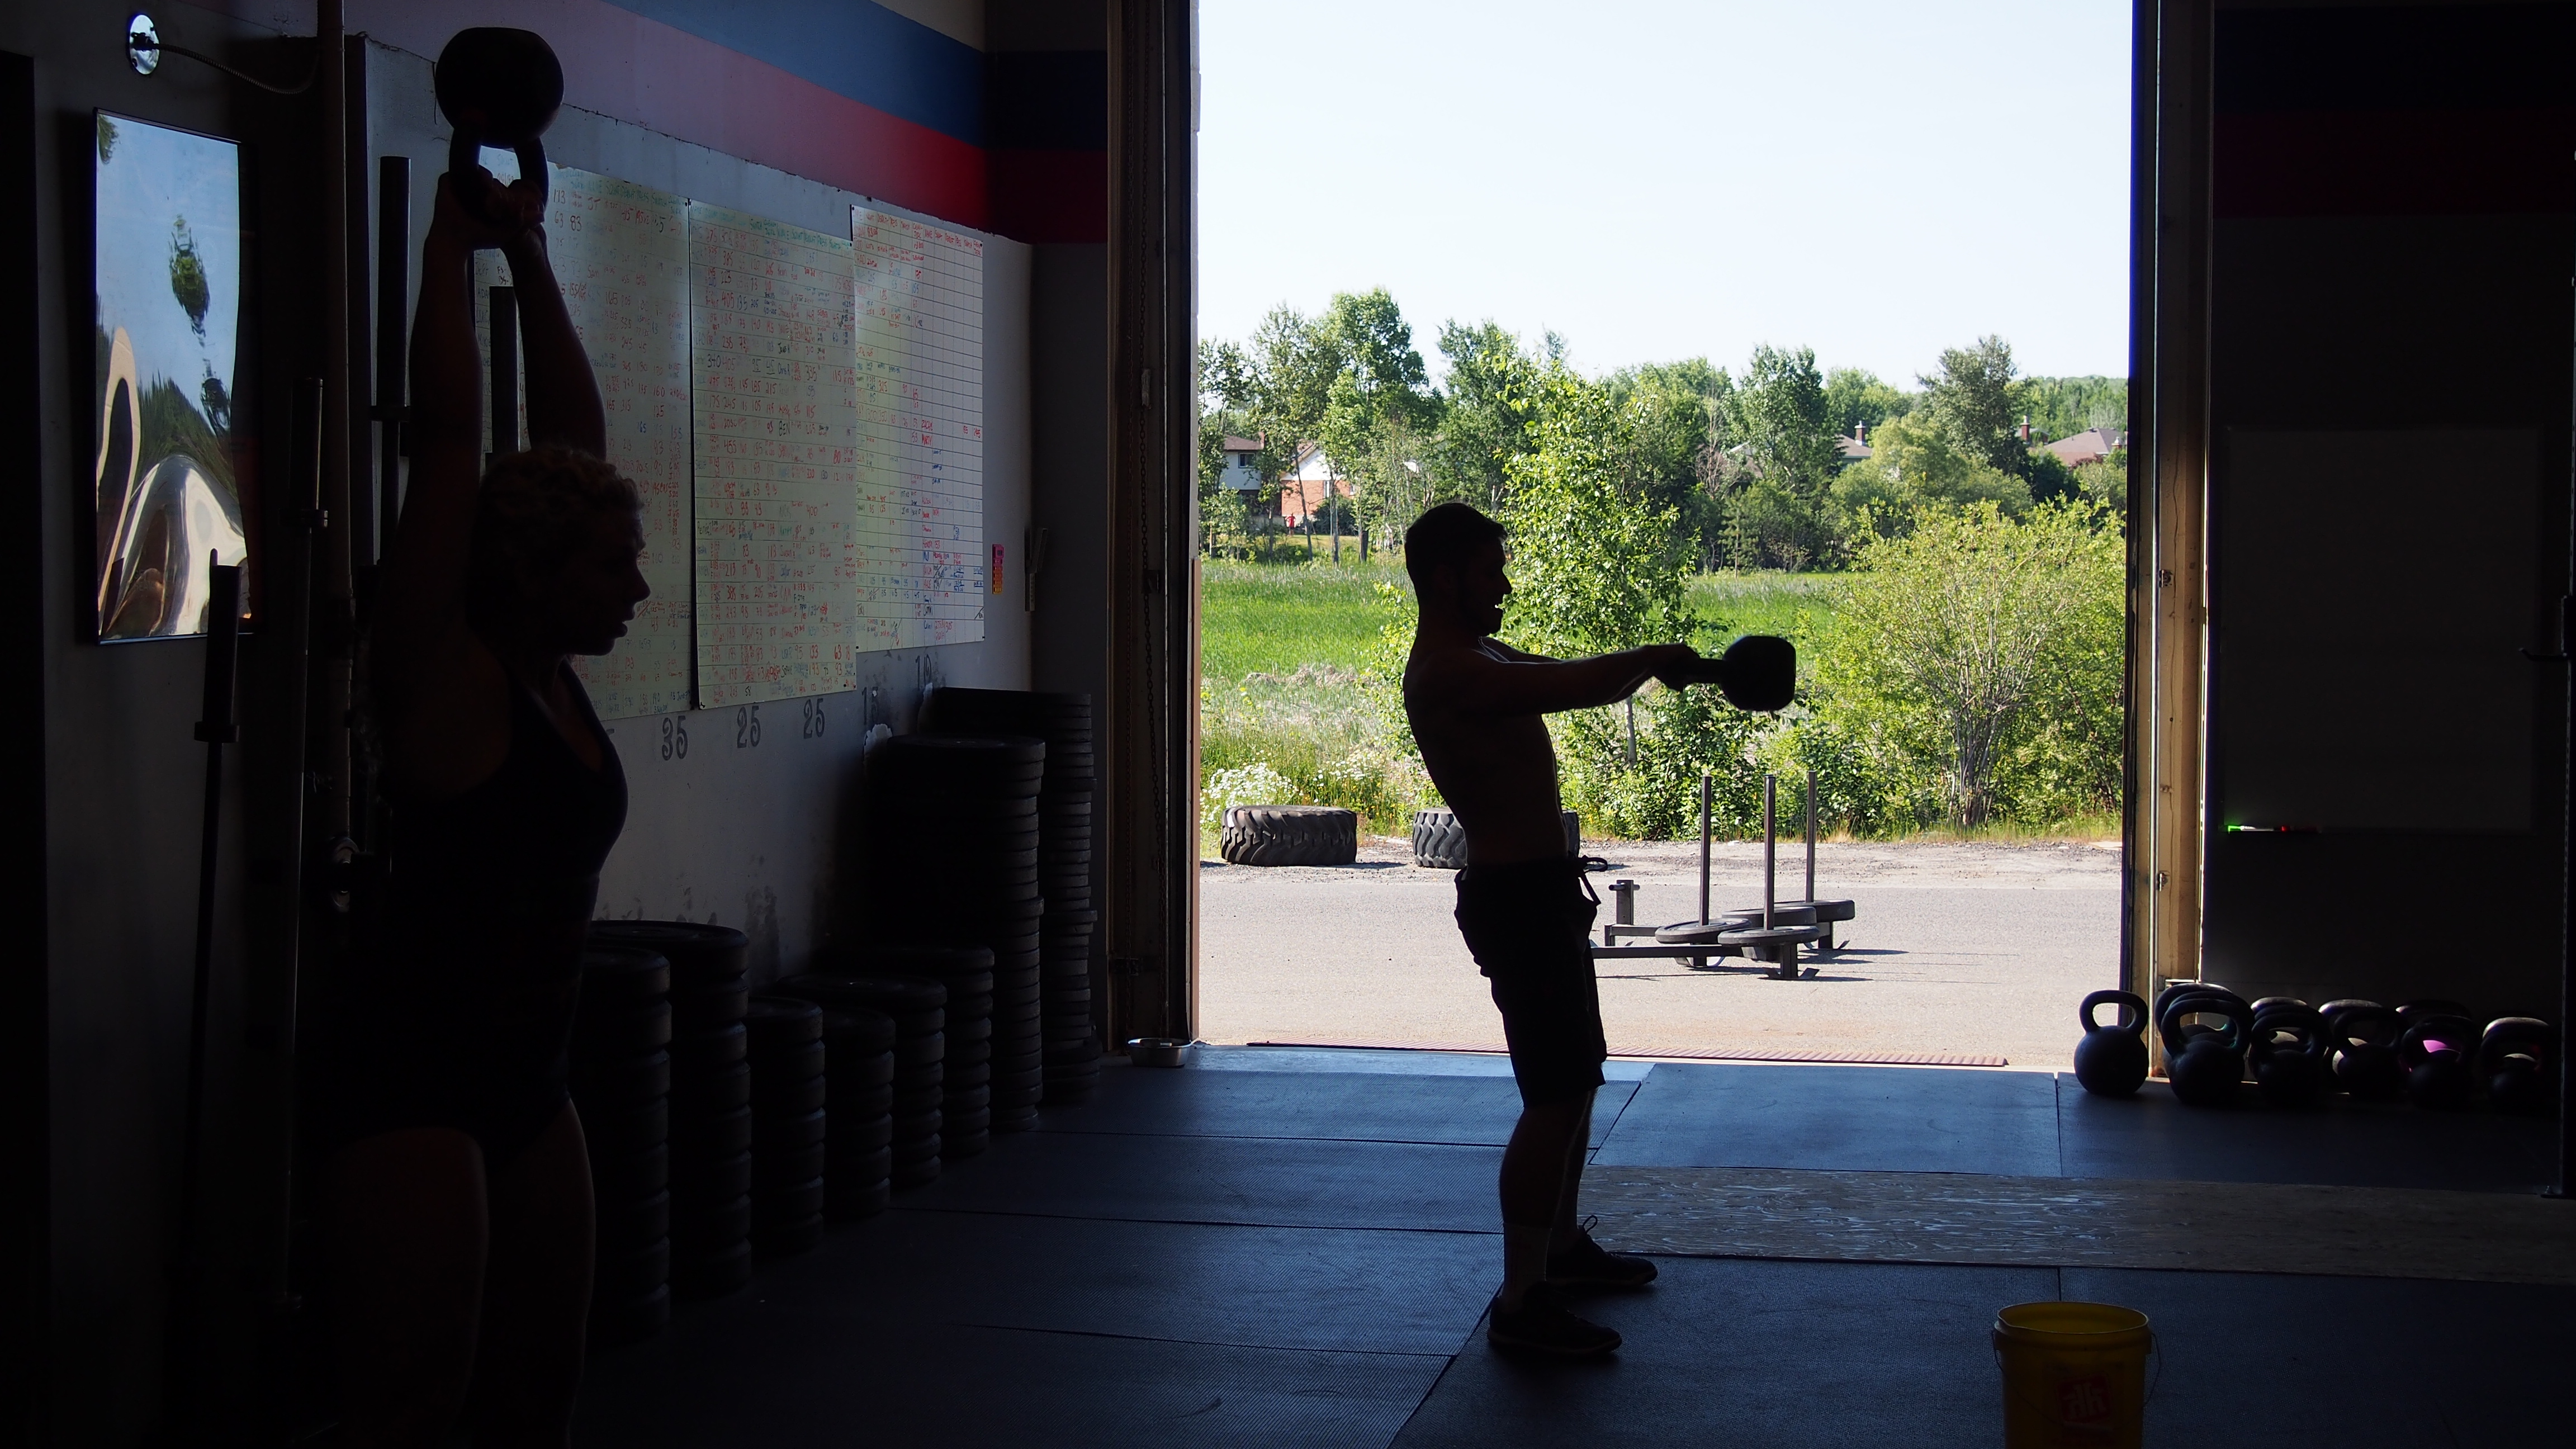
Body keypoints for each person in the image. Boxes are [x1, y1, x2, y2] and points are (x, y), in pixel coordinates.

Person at [307, 160, 647, 1445]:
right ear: (539, 573)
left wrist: (534, 251)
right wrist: (450, 253)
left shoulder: (554, 675)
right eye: (614, 564)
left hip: (529, 1080)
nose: (638, 589)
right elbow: (450, 446)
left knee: (533, 1396)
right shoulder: (447, 680)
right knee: (410, 1408)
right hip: (409, 1089)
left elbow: (571, 442)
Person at [1401, 501, 1697, 1358]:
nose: (1504, 584)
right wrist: (1647, 660)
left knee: (1579, 1080)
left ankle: (1561, 1250)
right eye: (1492, 569)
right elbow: (1570, 688)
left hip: (1544, 893)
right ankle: (1521, 1297)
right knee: (1552, 1097)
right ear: (1449, 577)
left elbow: (1565, 666)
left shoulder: (1483, 651)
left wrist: (1673, 666)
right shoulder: (1447, 670)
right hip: (1516, 900)